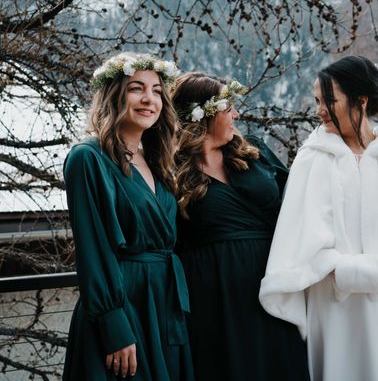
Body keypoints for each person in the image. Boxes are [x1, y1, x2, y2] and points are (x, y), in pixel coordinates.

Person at [259, 56, 378, 381]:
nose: (319, 109)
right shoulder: (311, 159)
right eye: (317, 100)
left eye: (329, 100)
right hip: (337, 309)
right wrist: (343, 271)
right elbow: (300, 237)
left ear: (361, 100)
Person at [63, 53, 194, 381]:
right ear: (114, 94)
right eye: (137, 88)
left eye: (156, 91)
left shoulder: (159, 162)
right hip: (124, 304)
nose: (149, 99)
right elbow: (93, 249)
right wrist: (113, 325)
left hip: (164, 305)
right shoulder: (88, 158)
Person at [171, 72, 310, 381]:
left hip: (271, 287)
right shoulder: (173, 171)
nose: (236, 114)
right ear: (203, 115)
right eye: (227, 108)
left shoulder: (253, 151)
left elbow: (300, 201)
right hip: (213, 297)